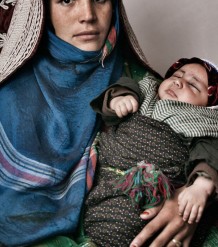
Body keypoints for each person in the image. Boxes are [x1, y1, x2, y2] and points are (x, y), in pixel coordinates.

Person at [0, 0, 217, 247]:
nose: (87, 16)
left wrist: (189, 203)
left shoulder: (138, 80)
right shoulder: (9, 94)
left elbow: (202, 140)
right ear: (42, 7)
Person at [83, 57, 218, 247]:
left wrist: (202, 185)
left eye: (193, 85)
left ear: (210, 105)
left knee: (137, 223)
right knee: (106, 216)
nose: (179, 81)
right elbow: (121, 87)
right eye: (177, 75)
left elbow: (210, 154)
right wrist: (119, 99)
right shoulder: (144, 89)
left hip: (156, 189)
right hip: (112, 175)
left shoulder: (205, 123)